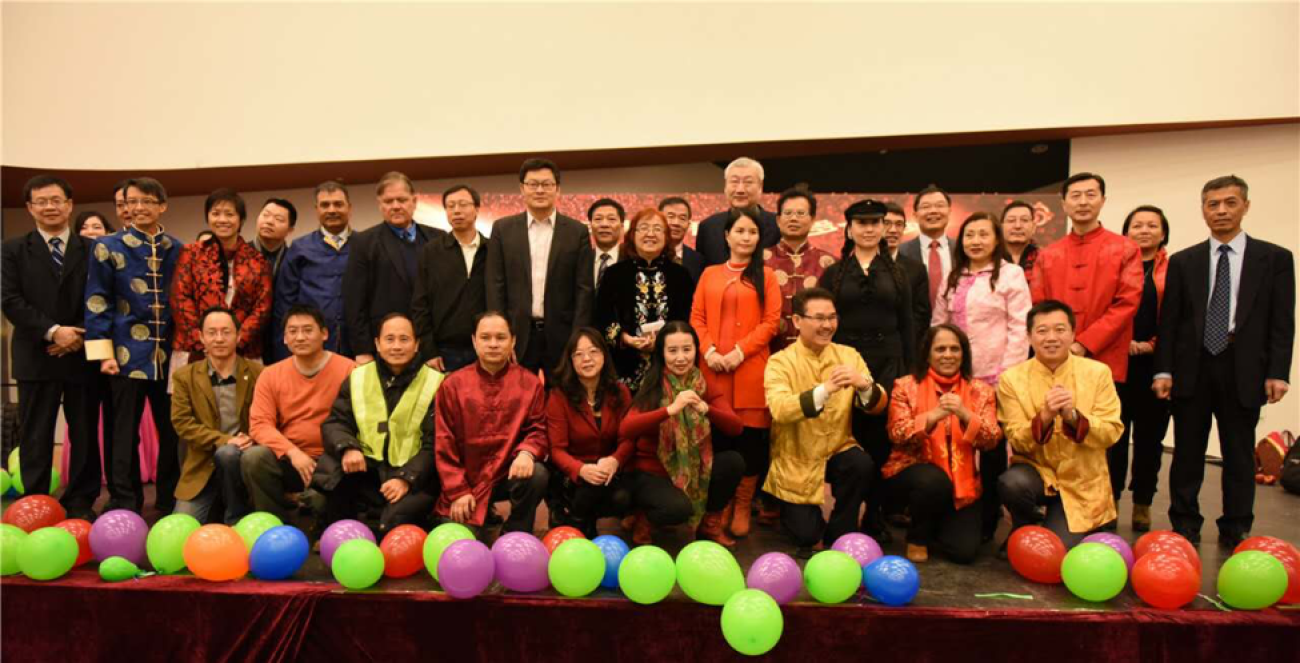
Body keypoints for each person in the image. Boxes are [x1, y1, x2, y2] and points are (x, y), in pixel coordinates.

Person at [1154, 175, 1294, 547]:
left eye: (1230, 203)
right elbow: (1170, 322)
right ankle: (1184, 523)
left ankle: (1236, 525)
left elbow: (1282, 321)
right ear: (1203, 210)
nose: (1221, 211)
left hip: (1244, 365)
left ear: (1245, 206)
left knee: (1238, 453)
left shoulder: (1275, 259)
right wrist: (1163, 369)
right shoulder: (1185, 261)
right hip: (1193, 365)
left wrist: (1278, 372)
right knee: (1187, 451)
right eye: (1212, 204)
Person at [84, 176, 184, 514]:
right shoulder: (107, 246)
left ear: (162, 206)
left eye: (147, 201)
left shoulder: (177, 248)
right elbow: (97, 301)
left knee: (172, 431)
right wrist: (103, 355)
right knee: (123, 432)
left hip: (170, 357)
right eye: (132, 202)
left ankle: (170, 500)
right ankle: (125, 500)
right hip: (124, 355)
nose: (138, 208)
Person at [2, 175, 99, 520]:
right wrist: (54, 332)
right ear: (30, 208)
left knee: (84, 433)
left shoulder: (92, 250)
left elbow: (102, 298)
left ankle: (81, 501)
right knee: (35, 434)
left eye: (56, 200)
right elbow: (9, 300)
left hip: (82, 355)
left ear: (69, 205)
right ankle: (36, 502)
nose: (49, 207)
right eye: (41, 201)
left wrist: (77, 335)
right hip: (36, 355)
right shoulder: (11, 250)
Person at [820, 198, 915, 542]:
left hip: (888, 364)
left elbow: (908, 325)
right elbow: (824, 324)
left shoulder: (899, 273)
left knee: (880, 443)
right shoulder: (833, 273)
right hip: (844, 364)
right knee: (848, 439)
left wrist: (909, 374)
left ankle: (874, 515)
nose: (869, 229)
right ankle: (843, 513)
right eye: (862, 223)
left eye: (875, 222)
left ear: (884, 228)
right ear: (849, 229)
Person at [932, 212, 1031, 539]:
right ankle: (956, 509)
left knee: (991, 447)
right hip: (955, 376)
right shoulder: (953, 275)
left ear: (996, 239)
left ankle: (989, 517)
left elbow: (1020, 327)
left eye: (983, 234)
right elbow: (939, 324)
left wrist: (1007, 376)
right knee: (953, 442)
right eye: (969, 235)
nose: (975, 241)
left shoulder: (1011, 274)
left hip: (995, 375)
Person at [764, 288, 882, 557]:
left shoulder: (849, 355)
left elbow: (877, 405)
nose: (827, 325)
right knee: (806, 537)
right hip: (797, 458)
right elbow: (780, 409)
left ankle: (841, 532)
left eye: (832, 317)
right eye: (819, 318)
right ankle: (800, 521)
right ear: (797, 321)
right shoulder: (780, 362)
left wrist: (864, 385)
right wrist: (825, 390)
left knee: (861, 464)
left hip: (838, 446)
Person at [997, 300, 1124, 547]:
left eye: (1060, 330)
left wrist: (1073, 417)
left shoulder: (1098, 373)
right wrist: (1044, 416)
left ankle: (1060, 525)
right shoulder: (1011, 379)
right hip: (1037, 472)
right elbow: (1016, 438)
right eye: (1042, 331)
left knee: (1057, 550)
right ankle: (1024, 526)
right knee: (1011, 484)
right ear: (1029, 337)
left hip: (1081, 480)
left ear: (1073, 334)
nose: (1051, 338)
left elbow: (1112, 431)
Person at [691, 206, 782, 538]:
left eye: (752, 232)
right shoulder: (709, 274)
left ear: (760, 239)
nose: (746, 237)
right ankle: (721, 505)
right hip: (713, 368)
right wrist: (710, 351)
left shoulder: (767, 276)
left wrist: (739, 352)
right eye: (740, 231)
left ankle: (743, 504)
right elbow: (696, 318)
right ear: (726, 236)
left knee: (752, 442)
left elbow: (771, 322)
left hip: (750, 368)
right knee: (717, 441)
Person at [618, 321, 745, 547]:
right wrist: (669, 410)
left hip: (696, 469)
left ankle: (709, 524)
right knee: (677, 509)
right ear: (662, 353)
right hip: (653, 473)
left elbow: (736, 427)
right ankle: (643, 519)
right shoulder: (653, 384)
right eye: (672, 351)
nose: (680, 358)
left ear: (696, 350)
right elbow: (626, 429)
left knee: (732, 462)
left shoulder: (703, 384)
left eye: (687, 349)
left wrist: (707, 409)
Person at [884, 324, 1001, 563]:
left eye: (954, 349)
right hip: (911, 474)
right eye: (940, 349)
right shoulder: (905, 386)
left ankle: (936, 526)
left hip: (962, 485)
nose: (948, 355)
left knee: (964, 553)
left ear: (963, 354)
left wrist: (965, 414)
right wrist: (933, 416)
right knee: (933, 481)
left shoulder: (981, 391)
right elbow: (897, 434)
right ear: (927, 354)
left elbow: (991, 440)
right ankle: (918, 537)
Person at [321, 314, 442, 535]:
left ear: (417, 344)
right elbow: (336, 422)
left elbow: (436, 443)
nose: (396, 346)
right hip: (367, 467)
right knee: (330, 479)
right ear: (377, 344)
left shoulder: (436, 383)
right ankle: (335, 536)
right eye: (389, 339)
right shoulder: (358, 377)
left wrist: (405, 479)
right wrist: (348, 447)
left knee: (393, 525)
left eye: (404, 339)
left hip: (415, 475)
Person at [434, 312, 549, 533]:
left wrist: (527, 452)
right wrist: (457, 491)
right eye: (485, 337)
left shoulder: (530, 383)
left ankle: (516, 531)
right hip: (467, 482)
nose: (493, 344)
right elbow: (444, 443)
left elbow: (538, 429)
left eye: (501, 337)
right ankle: (482, 512)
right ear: (474, 341)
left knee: (538, 474)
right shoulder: (452, 385)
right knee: (459, 542)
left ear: (513, 341)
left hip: (508, 473)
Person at [243, 305, 356, 523]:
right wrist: (293, 452)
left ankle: (323, 523)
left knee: (321, 503)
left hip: (333, 458)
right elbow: (259, 424)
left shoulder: (349, 370)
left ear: (324, 334)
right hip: (290, 458)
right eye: (293, 331)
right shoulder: (270, 375)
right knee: (254, 458)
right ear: (285, 338)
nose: (300, 337)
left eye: (307, 330)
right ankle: (274, 526)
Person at [1030, 173, 1144, 388]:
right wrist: (1061, 342)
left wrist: (1084, 343)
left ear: (1103, 200)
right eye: (1075, 196)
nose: (1083, 202)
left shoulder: (1125, 249)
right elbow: (1039, 306)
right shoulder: (1048, 255)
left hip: (1106, 356)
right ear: (1064, 204)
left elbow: (1127, 304)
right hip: (1057, 358)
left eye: (1090, 195)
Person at [485, 158, 594, 375]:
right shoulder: (503, 229)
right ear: (522, 189)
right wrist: (501, 334)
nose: (540, 190)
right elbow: (495, 284)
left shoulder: (576, 232)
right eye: (533, 184)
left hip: (562, 335)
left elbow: (584, 288)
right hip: (517, 334)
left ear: (557, 189)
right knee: (517, 394)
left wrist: (578, 337)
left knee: (563, 393)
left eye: (547, 184)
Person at [1110, 205, 1173, 532]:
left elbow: (1177, 318)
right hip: (1115, 363)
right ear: (1126, 232)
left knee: (1149, 441)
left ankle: (1143, 502)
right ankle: (1110, 501)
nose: (1144, 231)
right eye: (1137, 225)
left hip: (1155, 366)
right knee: (1113, 440)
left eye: (1152, 225)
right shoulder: (1114, 266)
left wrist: (1151, 344)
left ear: (1163, 233)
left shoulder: (1173, 270)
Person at [171, 307, 262, 524]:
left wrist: (248, 440)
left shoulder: (259, 373)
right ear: (201, 337)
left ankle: (236, 518)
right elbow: (182, 423)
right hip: (202, 466)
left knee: (228, 454)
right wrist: (225, 440)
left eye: (226, 332)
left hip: (244, 462)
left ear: (238, 336)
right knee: (181, 528)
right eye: (212, 333)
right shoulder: (184, 376)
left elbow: (268, 418)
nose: (219, 339)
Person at [345, 172, 442, 366]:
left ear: (414, 201)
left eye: (402, 200)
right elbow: (354, 302)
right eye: (388, 201)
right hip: (384, 347)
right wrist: (362, 350)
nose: (396, 206)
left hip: (432, 346)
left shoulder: (438, 239)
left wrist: (433, 348)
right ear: (380, 205)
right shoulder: (363, 243)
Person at [546, 329, 633, 537]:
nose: (587, 359)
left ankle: (584, 520)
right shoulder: (559, 396)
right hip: (573, 474)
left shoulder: (620, 391)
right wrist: (581, 469)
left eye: (593, 351)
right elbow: (556, 450)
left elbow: (629, 438)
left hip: (608, 471)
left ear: (604, 355)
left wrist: (615, 460)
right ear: (571, 361)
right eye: (579, 354)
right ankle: (575, 523)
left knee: (623, 498)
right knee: (587, 489)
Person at [171, 189, 273, 362]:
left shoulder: (258, 260)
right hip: (196, 348)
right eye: (216, 213)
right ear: (207, 217)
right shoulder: (191, 253)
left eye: (229, 214)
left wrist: (236, 340)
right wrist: (204, 340)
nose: (222, 220)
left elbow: (262, 307)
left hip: (243, 350)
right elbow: (180, 299)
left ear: (241, 219)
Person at [596, 209, 693, 389]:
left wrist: (663, 340)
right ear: (632, 235)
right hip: (624, 365)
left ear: (666, 237)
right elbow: (602, 317)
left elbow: (687, 319)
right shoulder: (614, 274)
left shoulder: (680, 275)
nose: (650, 234)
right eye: (644, 228)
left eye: (657, 229)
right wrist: (625, 338)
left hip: (670, 364)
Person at [273, 181, 355, 360]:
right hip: (311, 344)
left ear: (349, 208)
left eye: (338, 204)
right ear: (316, 209)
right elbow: (284, 303)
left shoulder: (365, 245)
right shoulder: (300, 248)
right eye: (325, 205)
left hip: (357, 344)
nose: (332, 210)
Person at [412, 184, 488, 373]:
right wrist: (428, 350)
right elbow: (420, 303)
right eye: (451, 206)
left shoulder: (492, 249)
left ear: (477, 208)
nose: (457, 211)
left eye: (463, 204)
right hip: (444, 351)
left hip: (487, 346)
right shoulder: (431, 252)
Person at [766, 189, 835, 353]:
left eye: (800, 213)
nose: (793, 218)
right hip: (769, 353)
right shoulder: (760, 262)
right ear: (778, 220)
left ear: (812, 220)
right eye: (788, 213)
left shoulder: (830, 263)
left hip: (818, 353)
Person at [693, 157, 780, 267]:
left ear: (760, 186)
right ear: (725, 186)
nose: (740, 190)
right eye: (734, 182)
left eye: (748, 182)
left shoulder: (778, 225)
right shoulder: (708, 227)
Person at [882, 201, 931, 341]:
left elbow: (921, 316)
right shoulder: (857, 265)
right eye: (886, 223)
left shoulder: (917, 269)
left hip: (902, 346)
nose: (893, 230)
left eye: (899, 224)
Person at [899, 185, 954, 307]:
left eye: (940, 205)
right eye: (926, 207)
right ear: (915, 215)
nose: (933, 211)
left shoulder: (963, 250)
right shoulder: (900, 252)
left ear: (949, 211)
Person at [659, 196, 704, 283]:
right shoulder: (646, 255)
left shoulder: (699, 261)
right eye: (671, 216)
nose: (676, 223)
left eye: (682, 218)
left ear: (688, 225)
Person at [252, 198, 295, 279]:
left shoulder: (294, 259)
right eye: (265, 215)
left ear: (290, 230)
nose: (269, 221)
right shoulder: (239, 253)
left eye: (278, 219)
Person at [588, 198, 624, 290]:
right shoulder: (581, 260)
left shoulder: (632, 260)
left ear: (622, 226)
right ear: (590, 225)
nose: (604, 224)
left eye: (611, 219)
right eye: (598, 219)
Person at [1001, 200, 1043, 273]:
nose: (1018, 226)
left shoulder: (1045, 259)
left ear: (1033, 227)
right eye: (1011, 220)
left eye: (1024, 220)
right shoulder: (989, 259)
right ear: (1001, 227)